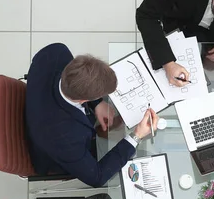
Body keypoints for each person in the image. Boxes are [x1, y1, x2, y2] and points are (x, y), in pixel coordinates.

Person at [26, 43, 159, 187]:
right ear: (84, 100)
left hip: (43, 106)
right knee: (146, 156)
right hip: (60, 151)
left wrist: (97, 103)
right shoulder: (65, 139)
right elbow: (97, 177)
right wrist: (136, 136)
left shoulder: (56, 52)